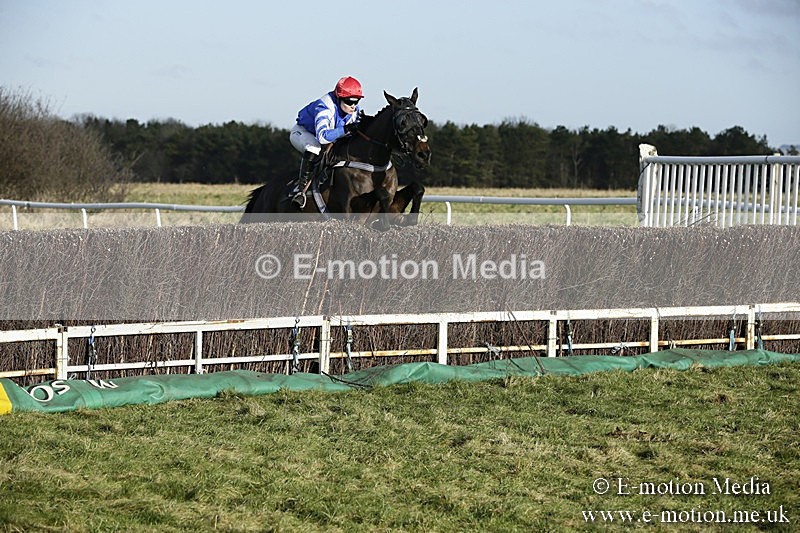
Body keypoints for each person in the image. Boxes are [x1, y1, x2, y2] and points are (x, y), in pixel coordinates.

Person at [288, 76, 364, 208]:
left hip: (329, 137)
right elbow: (322, 137)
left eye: (356, 101)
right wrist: (346, 129)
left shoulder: (354, 110)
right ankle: (300, 191)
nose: (353, 106)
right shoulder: (324, 107)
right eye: (349, 101)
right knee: (314, 148)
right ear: (339, 97)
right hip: (304, 133)